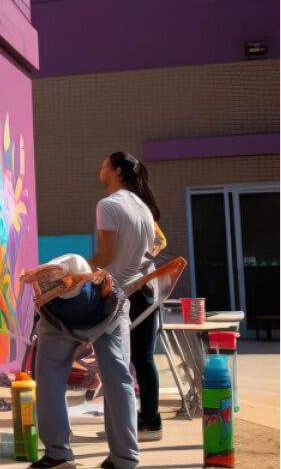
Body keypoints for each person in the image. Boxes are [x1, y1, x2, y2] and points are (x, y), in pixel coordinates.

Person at [31, 152, 155, 469]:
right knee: (118, 379)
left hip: (95, 296)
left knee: (49, 371)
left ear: (115, 170)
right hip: (120, 299)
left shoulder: (109, 205)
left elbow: (105, 254)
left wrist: (75, 276)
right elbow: (142, 259)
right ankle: (125, 457)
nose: (99, 171)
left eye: (102, 165)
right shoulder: (143, 209)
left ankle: (58, 452)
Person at [116, 155, 167, 442]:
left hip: (141, 289)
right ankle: (148, 417)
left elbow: (157, 244)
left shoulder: (136, 208)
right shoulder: (141, 207)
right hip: (144, 287)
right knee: (140, 358)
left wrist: (138, 264)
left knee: (142, 358)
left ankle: (151, 420)